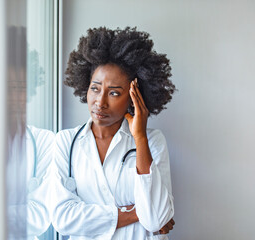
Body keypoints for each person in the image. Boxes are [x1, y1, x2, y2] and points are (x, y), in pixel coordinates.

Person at [52, 27, 176, 239]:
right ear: (85, 86)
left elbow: (155, 219)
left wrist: (140, 137)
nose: (100, 102)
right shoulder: (66, 141)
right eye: (95, 88)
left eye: (114, 93)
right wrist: (137, 212)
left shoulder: (152, 141)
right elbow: (63, 218)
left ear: (133, 97)